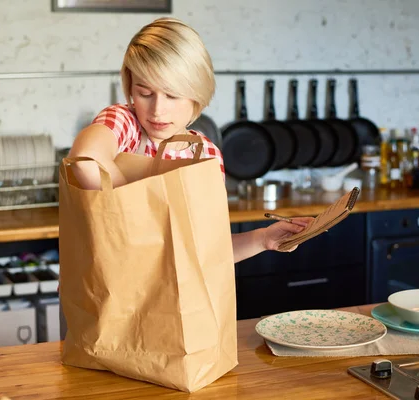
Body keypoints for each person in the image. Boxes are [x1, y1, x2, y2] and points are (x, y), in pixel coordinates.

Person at [68, 17, 312, 263]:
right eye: (145, 93)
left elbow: (205, 251)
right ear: (130, 88)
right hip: (111, 295)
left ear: (196, 93)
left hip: (172, 299)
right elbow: (86, 160)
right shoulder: (125, 123)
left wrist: (262, 239)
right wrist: (146, 216)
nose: (157, 110)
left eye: (172, 95)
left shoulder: (205, 156)